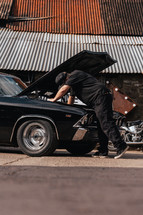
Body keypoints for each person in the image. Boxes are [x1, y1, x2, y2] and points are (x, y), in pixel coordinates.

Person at [49, 70, 129, 159]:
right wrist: (69, 110)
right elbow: (71, 99)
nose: (65, 85)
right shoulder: (74, 85)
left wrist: (54, 99)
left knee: (106, 123)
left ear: (66, 79)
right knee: (100, 125)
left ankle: (121, 146)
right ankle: (103, 151)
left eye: (64, 83)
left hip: (101, 97)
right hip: (98, 100)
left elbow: (63, 90)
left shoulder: (75, 74)